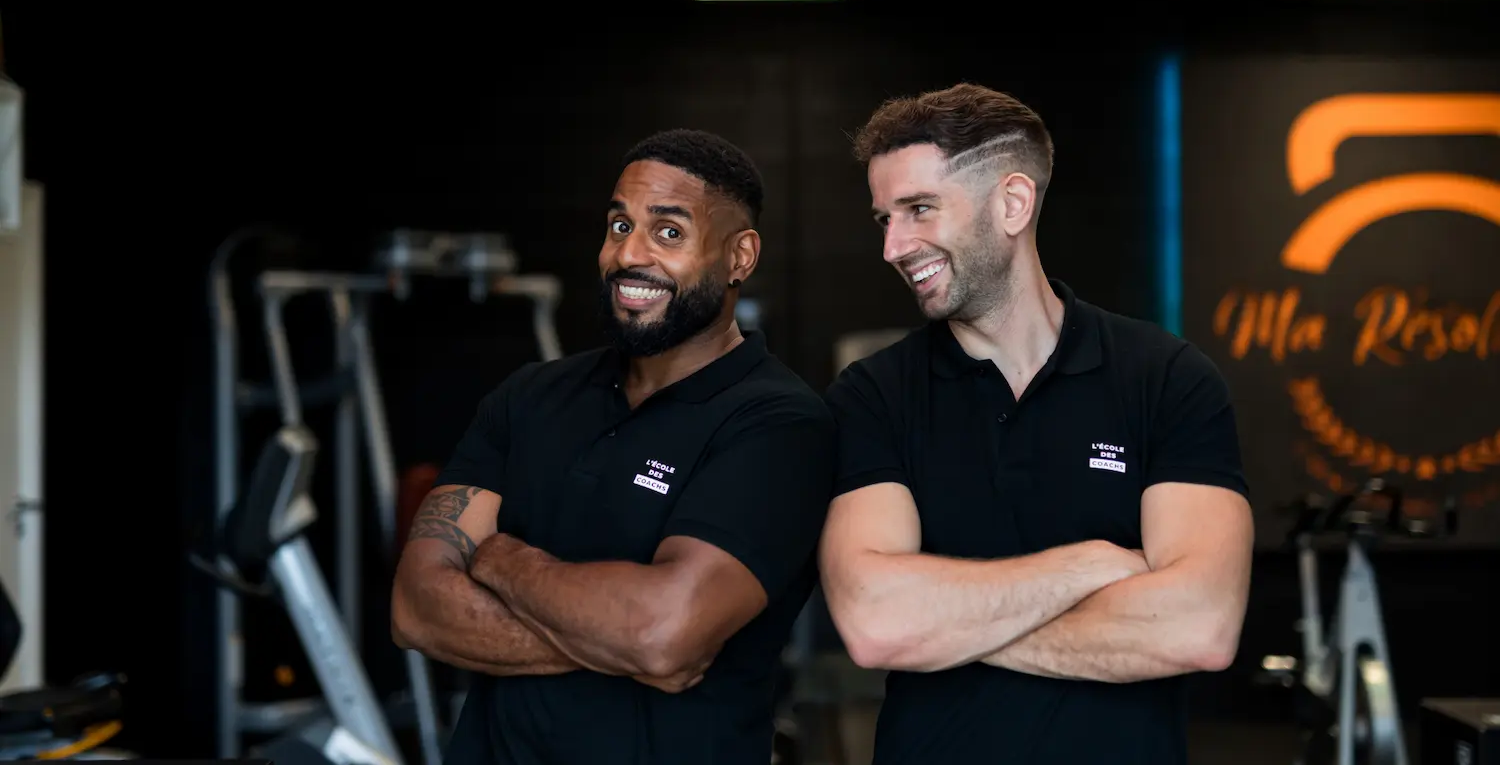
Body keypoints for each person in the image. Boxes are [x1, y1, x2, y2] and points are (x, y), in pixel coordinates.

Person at [818, 83, 1254, 765]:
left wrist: (950, 628)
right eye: (884, 220)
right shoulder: (872, 396)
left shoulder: (1165, 379)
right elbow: (876, 626)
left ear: (1013, 204)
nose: (894, 247)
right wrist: (1096, 564)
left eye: (919, 210)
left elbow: (1200, 626)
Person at [391, 129, 836, 765]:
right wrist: (621, 643)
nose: (631, 254)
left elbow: (662, 635)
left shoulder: (780, 425)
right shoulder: (531, 395)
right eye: (619, 225)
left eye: (669, 232)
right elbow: (415, 609)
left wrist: (497, 560)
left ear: (740, 257)